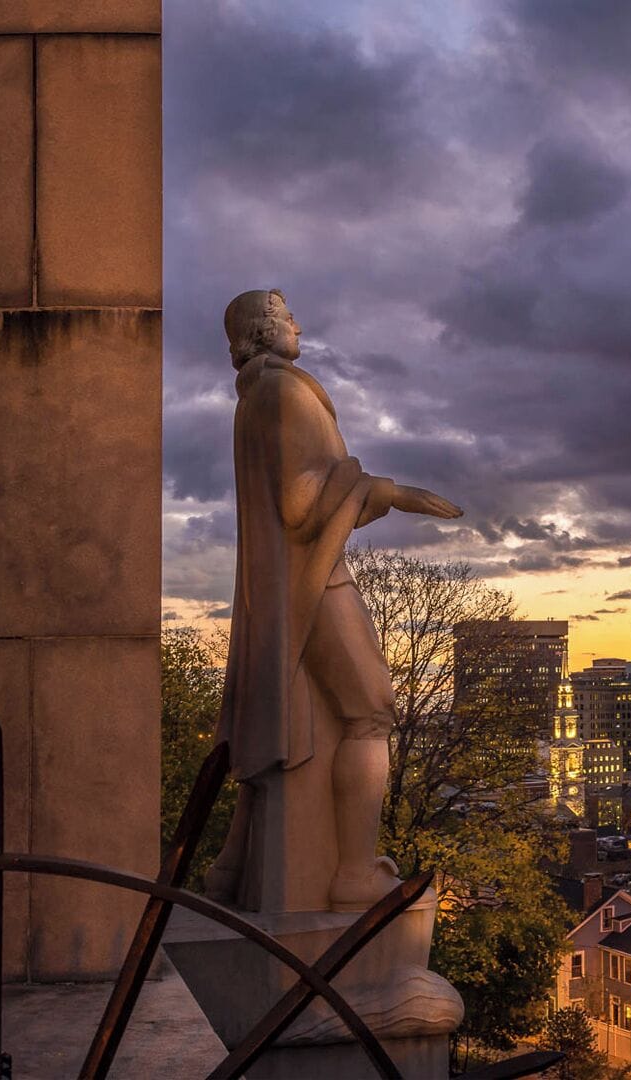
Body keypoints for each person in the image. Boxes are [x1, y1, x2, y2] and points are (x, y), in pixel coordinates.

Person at [204, 289, 462, 912]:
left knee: (298, 725)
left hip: (286, 583)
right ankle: (351, 874)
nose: (298, 324)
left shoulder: (259, 398)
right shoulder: (285, 393)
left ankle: (234, 870)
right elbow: (300, 505)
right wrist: (387, 490)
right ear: (264, 330)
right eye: (287, 315)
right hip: (311, 582)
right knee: (372, 710)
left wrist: (370, 491)